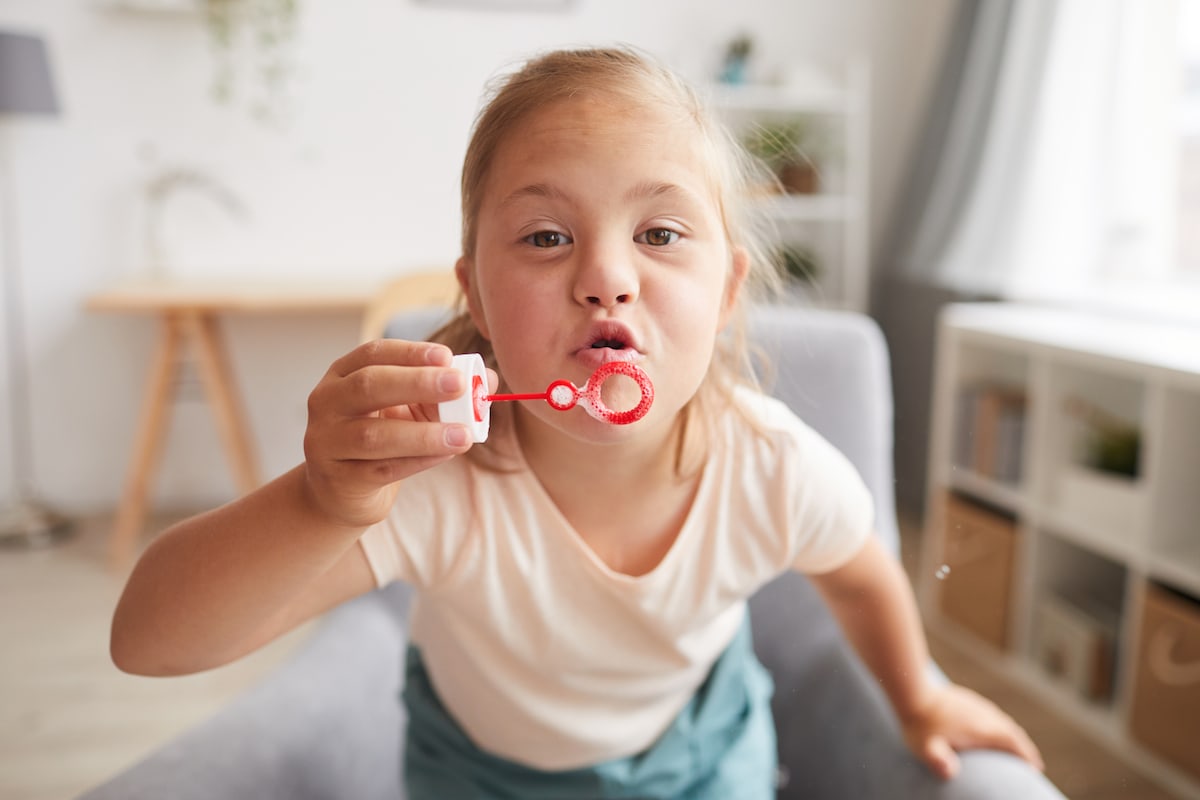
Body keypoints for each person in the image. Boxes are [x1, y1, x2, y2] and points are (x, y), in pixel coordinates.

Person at [111, 46, 1043, 799]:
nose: (606, 275)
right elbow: (150, 643)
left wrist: (920, 695)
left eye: (660, 234)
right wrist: (321, 500)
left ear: (725, 292)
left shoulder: (774, 467)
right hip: (477, 774)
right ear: (474, 293)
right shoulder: (430, 484)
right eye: (547, 236)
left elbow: (862, 576)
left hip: (707, 757)